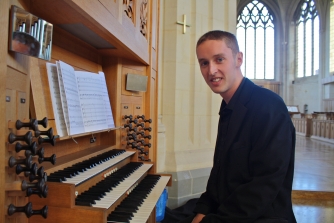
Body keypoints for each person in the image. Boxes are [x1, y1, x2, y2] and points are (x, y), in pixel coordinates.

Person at [181, 30, 297, 223]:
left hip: (263, 216)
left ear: (238, 59)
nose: (211, 70)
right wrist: (203, 210)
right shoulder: (228, 105)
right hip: (228, 208)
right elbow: (219, 173)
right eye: (204, 63)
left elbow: (264, 185)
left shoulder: (269, 105)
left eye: (219, 59)